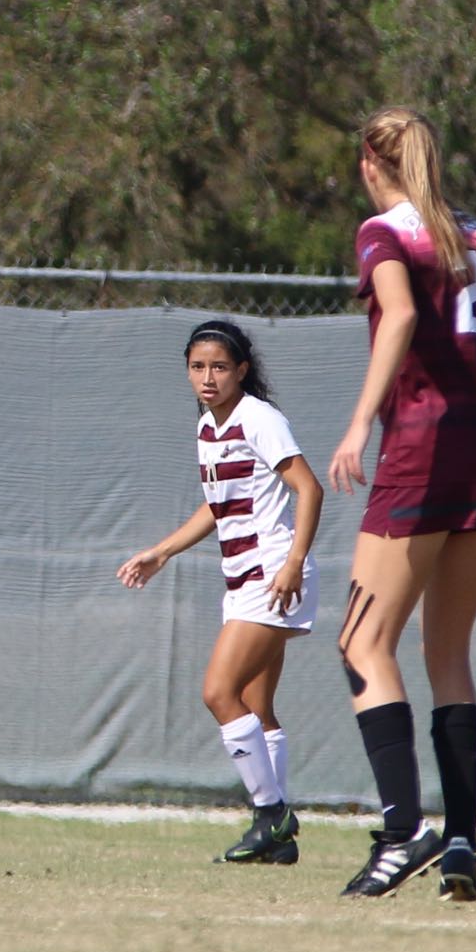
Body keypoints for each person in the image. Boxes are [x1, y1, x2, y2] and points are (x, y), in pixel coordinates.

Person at [325, 107, 476, 901]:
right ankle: (463, 842)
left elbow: (397, 314)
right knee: (448, 652)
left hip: (422, 452)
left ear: (372, 161)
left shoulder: (383, 232)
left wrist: (361, 421)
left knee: (362, 645)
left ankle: (405, 836)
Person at [119, 320, 324, 863]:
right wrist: (162, 551)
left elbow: (309, 487)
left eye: (219, 367)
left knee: (217, 692)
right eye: (197, 367)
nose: (207, 378)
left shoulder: (258, 418)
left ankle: (270, 814)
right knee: (256, 707)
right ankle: (278, 844)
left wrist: (294, 564)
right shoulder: (209, 427)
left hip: (272, 575)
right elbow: (217, 506)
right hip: (242, 579)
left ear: (242, 371)